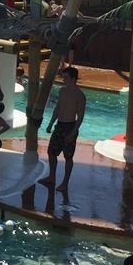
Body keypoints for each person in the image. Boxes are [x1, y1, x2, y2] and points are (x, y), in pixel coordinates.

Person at [39, 67, 86, 195]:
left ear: (73, 79)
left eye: (65, 78)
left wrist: (73, 132)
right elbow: (58, 108)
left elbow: (80, 116)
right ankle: (51, 177)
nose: (63, 80)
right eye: (63, 77)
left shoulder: (80, 95)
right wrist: (50, 123)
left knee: (68, 157)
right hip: (59, 126)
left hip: (70, 126)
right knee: (51, 152)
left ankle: (65, 183)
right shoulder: (62, 91)